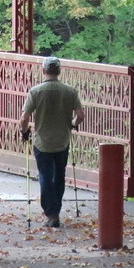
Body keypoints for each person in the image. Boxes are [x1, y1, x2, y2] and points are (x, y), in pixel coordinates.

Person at [19, 55, 85, 228]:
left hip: (42, 142)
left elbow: (24, 118)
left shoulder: (35, 91)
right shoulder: (70, 91)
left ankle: (52, 213)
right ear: (59, 71)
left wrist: (24, 132)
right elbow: (80, 116)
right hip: (62, 140)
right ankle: (56, 209)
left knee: (45, 176)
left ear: (43, 71)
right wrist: (72, 124)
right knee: (60, 176)